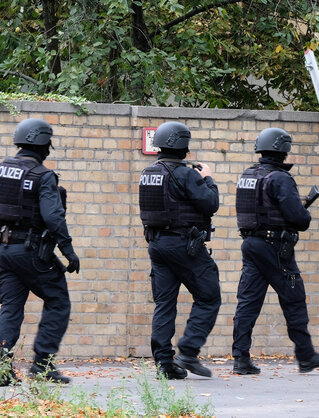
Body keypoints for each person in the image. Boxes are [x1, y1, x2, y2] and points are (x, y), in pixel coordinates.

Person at [0, 118, 79, 385]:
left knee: (11, 307)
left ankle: (1, 370)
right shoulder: (43, 175)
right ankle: (43, 366)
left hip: (4, 250)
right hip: (32, 252)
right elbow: (53, 217)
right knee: (58, 301)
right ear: (42, 144)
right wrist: (68, 249)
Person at [232, 127, 319, 375]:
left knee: (247, 303)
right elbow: (298, 218)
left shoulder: (248, 175)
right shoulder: (280, 178)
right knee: (294, 299)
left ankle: (240, 359)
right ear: (283, 149)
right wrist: (305, 213)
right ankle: (306, 356)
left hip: (251, 245)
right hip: (275, 247)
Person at [139, 121, 221, 379]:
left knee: (164, 304)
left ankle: (164, 364)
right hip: (183, 245)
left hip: (157, 245)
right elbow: (210, 204)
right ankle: (188, 350)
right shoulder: (185, 174)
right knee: (209, 296)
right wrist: (207, 178)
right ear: (183, 146)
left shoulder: (148, 172)